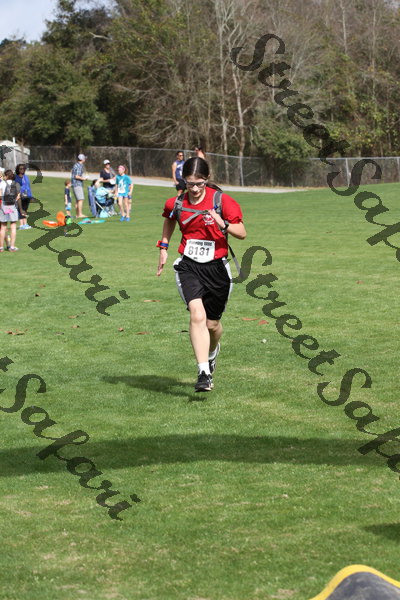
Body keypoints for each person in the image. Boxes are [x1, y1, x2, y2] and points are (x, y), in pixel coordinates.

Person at [157, 157, 246, 392]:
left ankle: (212, 352)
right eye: (190, 184)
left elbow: (242, 232)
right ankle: (204, 373)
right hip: (189, 266)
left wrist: (222, 223)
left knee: (212, 324)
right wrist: (164, 247)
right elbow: (169, 219)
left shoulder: (222, 201)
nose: (195, 189)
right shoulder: (176, 202)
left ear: (207, 179)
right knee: (197, 315)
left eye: (199, 184)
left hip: (217, 268)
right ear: (183, 181)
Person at [0, 169, 25, 252]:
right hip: (12, 206)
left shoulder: (2, 183)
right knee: (13, 226)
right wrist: (21, 209)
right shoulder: (16, 184)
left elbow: (0, 196)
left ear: (7, 176)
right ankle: (12, 247)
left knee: (3, 227)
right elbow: (18, 197)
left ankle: (1, 247)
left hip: (4, 206)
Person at [15, 163, 32, 230]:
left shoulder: (26, 177)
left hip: (27, 195)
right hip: (20, 195)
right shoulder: (16, 178)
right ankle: (21, 225)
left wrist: (30, 195)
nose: (22, 170)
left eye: (23, 168)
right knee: (20, 209)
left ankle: (25, 224)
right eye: (20, 169)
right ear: (18, 170)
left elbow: (28, 186)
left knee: (25, 209)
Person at [71, 153, 87, 218]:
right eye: (84, 158)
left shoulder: (77, 165)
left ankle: (77, 215)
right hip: (77, 184)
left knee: (78, 200)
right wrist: (84, 178)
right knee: (80, 199)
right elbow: (76, 176)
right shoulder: (78, 166)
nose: (85, 159)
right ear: (82, 159)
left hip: (75, 184)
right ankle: (80, 214)